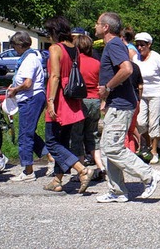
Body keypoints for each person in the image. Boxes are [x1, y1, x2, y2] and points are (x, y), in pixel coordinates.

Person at [94, 12, 160, 202]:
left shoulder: (114, 44)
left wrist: (107, 87)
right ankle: (117, 192)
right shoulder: (114, 45)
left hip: (121, 105)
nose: (95, 26)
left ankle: (149, 175)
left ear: (106, 27)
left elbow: (127, 69)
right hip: (118, 104)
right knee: (107, 149)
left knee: (113, 148)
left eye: (98, 23)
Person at [42, 16, 94, 193]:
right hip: (72, 97)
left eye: (49, 32)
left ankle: (82, 170)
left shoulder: (55, 48)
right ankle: (57, 180)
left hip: (59, 97)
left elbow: (55, 76)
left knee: (51, 141)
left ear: (54, 32)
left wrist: (50, 101)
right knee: (62, 140)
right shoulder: (74, 49)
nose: (48, 36)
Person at [6, 32, 53, 182]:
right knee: (29, 132)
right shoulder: (28, 58)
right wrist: (13, 86)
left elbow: (27, 83)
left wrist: (16, 90)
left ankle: (28, 171)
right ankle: (51, 157)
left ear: (20, 45)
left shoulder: (29, 59)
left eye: (14, 46)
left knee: (24, 136)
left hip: (30, 99)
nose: (13, 49)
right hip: (31, 98)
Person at [133, 32, 160, 164]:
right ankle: (147, 143)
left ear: (149, 45)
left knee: (153, 124)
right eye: (137, 45)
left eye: (142, 45)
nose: (139, 48)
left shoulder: (156, 57)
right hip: (142, 95)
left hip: (156, 94)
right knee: (140, 122)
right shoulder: (136, 59)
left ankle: (154, 151)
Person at [70, 34, 106, 180]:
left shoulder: (75, 63)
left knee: (77, 136)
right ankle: (101, 167)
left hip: (80, 101)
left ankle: (82, 171)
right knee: (92, 136)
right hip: (95, 101)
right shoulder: (97, 63)